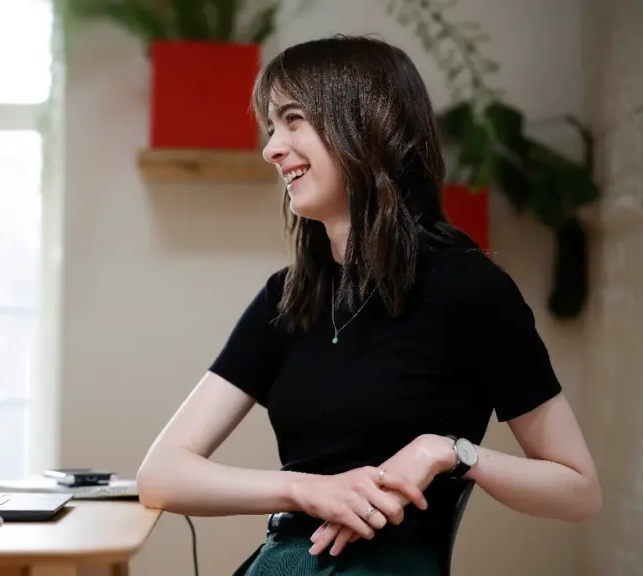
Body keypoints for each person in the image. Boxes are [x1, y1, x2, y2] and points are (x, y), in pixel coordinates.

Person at [136, 34, 601, 575]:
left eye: (292, 119)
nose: (271, 148)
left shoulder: (471, 290)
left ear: (366, 124)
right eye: (271, 126)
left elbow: (578, 489)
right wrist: (308, 491)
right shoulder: (285, 298)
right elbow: (161, 474)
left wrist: (450, 451)